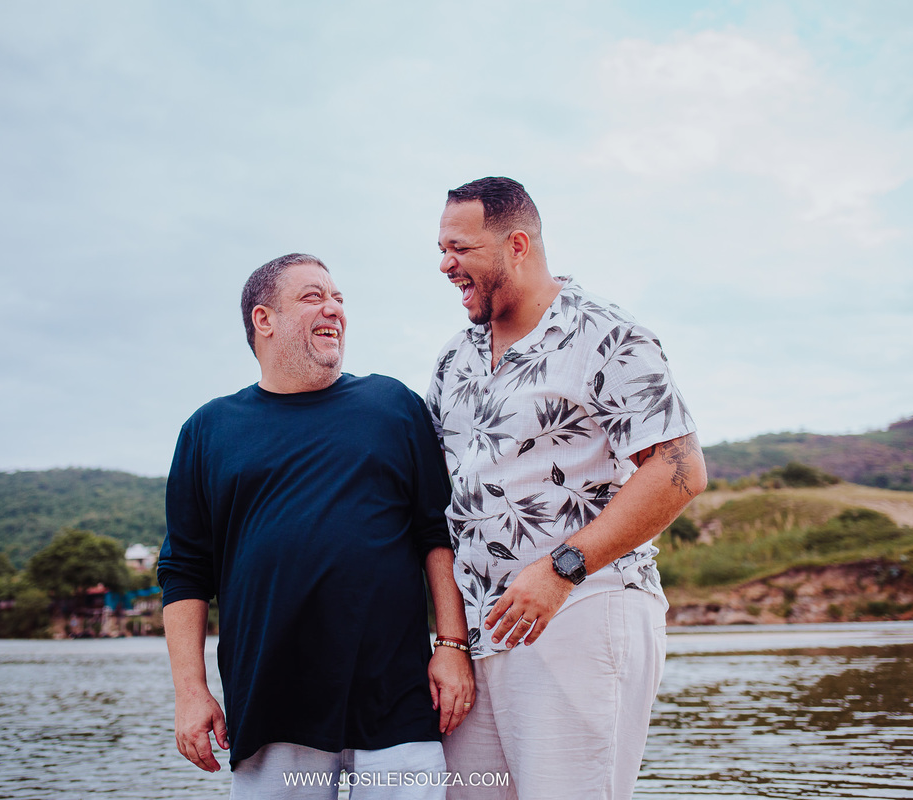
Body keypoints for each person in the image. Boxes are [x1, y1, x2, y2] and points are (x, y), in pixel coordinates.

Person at [428, 178, 707, 799]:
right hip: (479, 637)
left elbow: (679, 468)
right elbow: (434, 502)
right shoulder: (454, 360)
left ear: (517, 245)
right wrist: (449, 639)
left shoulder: (604, 335)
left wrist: (561, 570)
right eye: (441, 250)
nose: (446, 266)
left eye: (460, 249)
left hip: (581, 612)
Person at [158, 253, 474, 799]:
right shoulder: (209, 430)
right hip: (273, 703)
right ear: (264, 320)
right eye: (312, 296)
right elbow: (185, 572)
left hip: (397, 697)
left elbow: (436, 534)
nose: (333, 309)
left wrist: (451, 645)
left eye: (338, 299)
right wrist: (191, 692)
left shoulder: (391, 405)